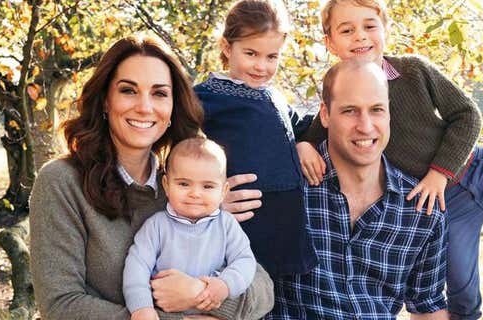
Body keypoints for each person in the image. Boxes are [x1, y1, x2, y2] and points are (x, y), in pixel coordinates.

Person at [295, 1, 483, 319]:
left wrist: (439, 171)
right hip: (444, 205)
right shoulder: (340, 91)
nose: (360, 37)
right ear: (330, 41)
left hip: (477, 168)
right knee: (464, 300)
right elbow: (320, 130)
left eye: (369, 26)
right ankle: (482, 215)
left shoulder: (413, 71)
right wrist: (304, 146)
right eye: (347, 30)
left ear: (385, 29)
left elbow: (467, 114)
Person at [29, 35, 273, 320]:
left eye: (159, 93)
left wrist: (199, 292)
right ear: (106, 101)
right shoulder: (62, 182)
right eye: (129, 90)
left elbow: (263, 289)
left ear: (172, 108)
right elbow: (60, 305)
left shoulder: (186, 187)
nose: (145, 107)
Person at [268, 60, 449, 319]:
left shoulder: (421, 210)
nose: (365, 126)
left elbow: (427, 306)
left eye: (376, 110)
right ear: (325, 115)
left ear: (389, 113)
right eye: (350, 111)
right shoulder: (285, 190)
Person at [193, 0, 317, 278]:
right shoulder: (205, 97)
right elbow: (177, 154)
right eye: (251, 53)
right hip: (244, 227)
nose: (262, 66)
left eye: (272, 57)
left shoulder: (275, 96)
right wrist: (207, 202)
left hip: (286, 230)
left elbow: (301, 128)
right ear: (227, 47)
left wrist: (303, 143)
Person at [123, 137, 257, 320]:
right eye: (184, 184)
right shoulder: (156, 226)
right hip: (164, 312)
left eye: (207, 186)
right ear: (166, 185)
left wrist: (225, 285)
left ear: (224, 191)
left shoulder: (226, 225)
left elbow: (244, 260)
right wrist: (141, 307)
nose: (195, 193)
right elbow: (136, 267)